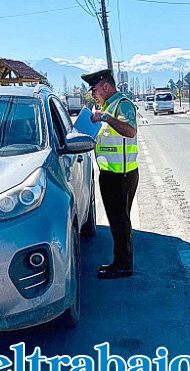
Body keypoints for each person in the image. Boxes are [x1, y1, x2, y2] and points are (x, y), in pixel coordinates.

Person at [81, 68, 139, 279]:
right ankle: (119, 261)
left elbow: (130, 130)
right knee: (116, 221)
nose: (93, 94)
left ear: (106, 86)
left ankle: (123, 265)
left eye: (94, 89)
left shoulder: (121, 105)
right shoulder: (107, 106)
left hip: (122, 175)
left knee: (121, 221)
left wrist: (106, 117)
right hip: (110, 174)